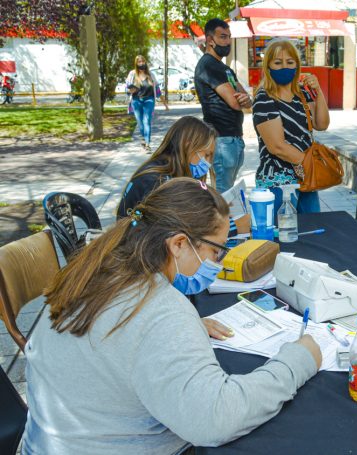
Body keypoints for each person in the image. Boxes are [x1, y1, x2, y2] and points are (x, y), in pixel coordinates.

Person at [21, 178, 322, 453]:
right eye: (217, 251)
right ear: (179, 244)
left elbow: (124, 339)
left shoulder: (92, 271)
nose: (219, 263)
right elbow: (214, 419)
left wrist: (183, 328)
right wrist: (297, 361)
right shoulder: (158, 309)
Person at [117, 116, 251, 284]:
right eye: (206, 155)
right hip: (141, 267)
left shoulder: (164, 172)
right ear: (188, 146)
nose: (208, 163)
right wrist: (232, 225)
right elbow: (180, 232)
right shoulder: (157, 181)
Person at [252, 39, 330, 215]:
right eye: (278, 63)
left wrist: (318, 92)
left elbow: (321, 124)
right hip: (278, 182)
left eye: (289, 62)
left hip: (305, 180)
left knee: (311, 233)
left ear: (297, 65)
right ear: (268, 66)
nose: (284, 67)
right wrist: (310, 165)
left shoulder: (301, 94)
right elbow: (277, 146)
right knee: (284, 237)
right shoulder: (264, 98)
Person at [195, 18, 252, 194]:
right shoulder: (208, 65)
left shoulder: (223, 68)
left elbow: (247, 99)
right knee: (223, 195)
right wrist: (243, 99)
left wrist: (246, 99)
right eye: (223, 37)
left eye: (229, 37)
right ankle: (222, 223)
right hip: (221, 141)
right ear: (210, 40)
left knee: (226, 194)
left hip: (232, 139)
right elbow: (236, 102)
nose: (227, 42)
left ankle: (226, 222)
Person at [126, 55, 169, 151]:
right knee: (140, 123)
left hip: (149, 100)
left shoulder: (151, 75)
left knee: (147, 121)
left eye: (143, 61)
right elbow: (127, 88)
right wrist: (130, 91)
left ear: (145, 62)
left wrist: (165, 105)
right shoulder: (132, 74)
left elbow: (157, 91)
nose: (141, 63)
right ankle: (143, 138)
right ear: (136, 64)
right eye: (139, 62)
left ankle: (147, 143)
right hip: (136, 101)